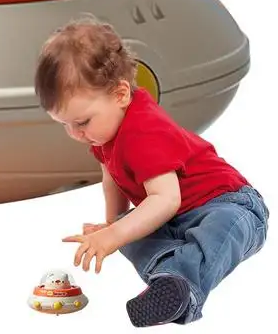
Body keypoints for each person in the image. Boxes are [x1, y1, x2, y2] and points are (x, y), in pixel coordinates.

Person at [34, 17, 268, 327]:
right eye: (65, 125)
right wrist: (112, 227)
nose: (76, 134)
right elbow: (111, 181)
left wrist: (113, 234)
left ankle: (183, 288)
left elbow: (166, 199)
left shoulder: (144, 130)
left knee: (222, 228)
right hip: (171, 219)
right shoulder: (103, 133)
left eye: (82, 122)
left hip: (226, 203)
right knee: (129, 234)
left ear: (120, 94)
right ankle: (171, 279)